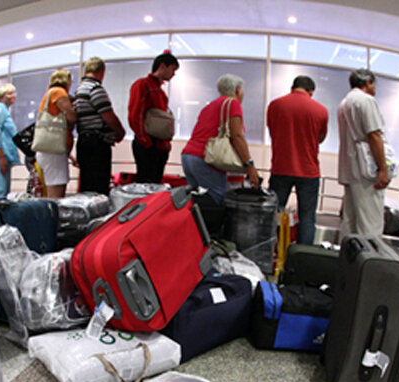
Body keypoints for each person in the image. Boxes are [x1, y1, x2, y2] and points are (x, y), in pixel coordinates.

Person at [266, 75, 328, 244]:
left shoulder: (275, 105)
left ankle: (270, 253)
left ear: (293, 87)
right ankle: (302, 259)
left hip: (280, 168)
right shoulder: (320, 110)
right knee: (307, 218)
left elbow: (273, 131)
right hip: (308, 171)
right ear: (311, 91)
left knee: (272, 215)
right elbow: (320, 138)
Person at [181, 74, 260, 203]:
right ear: (237, 90)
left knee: (196, 202)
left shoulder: (209, 106)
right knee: (217, 201)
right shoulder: (232, 103)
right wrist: (249, 165)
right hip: (206, 159)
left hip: (188, 157)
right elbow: (237, 136)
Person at [337, 68, 390, 236]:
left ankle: (347, 259)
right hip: (366, 171)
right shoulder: (366, 101)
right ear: (368, 83)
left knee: (350, 222)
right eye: (374, 84)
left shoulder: (344, 103)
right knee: (370, 225)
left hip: (350, 169)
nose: (375, 88)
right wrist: (383, 168)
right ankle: (369, 261)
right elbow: (374, 135)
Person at [73, 57, 125, 194]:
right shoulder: (95, 89)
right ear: (102, 71)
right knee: (99, 188)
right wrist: (120, 132)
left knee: (87, 185)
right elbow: (109, 116)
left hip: (84, 141)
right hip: (97, 144)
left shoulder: (78, 90)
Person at [128, 51, 179, 183]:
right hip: (148, 144)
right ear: (163, 66)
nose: (173, 74)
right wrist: (145, 141)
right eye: (173, 69)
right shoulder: (143, 85)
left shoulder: (160, 92)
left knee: (154, 183)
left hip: (158, 145)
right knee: (146, 183)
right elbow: (135, 114)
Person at [36, 69, 76, 198]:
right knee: (56, 195)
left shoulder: (49, 93)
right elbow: (71, 116)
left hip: (48, 151)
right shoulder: (58, 92)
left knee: (52, 190)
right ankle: (53, 217)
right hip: (53, 153)